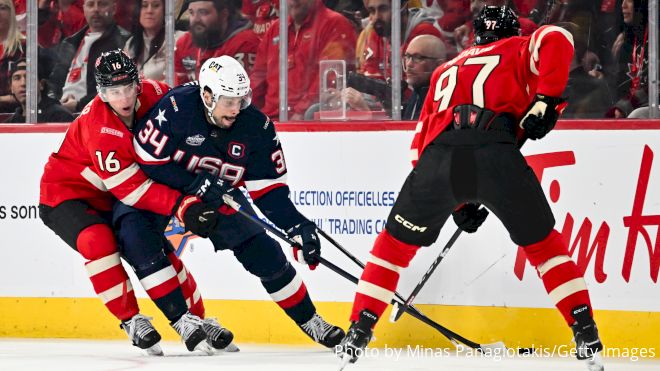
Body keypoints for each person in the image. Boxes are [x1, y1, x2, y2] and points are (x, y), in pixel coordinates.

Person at [337, 6, 604, 371]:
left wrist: (454, 202)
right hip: (495, 151)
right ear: (513, 30)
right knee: (544, 247)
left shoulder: (446, 68)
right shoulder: (517, 47)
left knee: (392, 249)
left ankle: (358, 331)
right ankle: (585, 332)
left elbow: (419, 145)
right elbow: (558, 37)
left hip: (439, 160)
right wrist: (546, 98)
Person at [129, 55, 346, 349]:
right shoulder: (177, 108)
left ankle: (310, 320)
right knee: (136, 236)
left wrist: (297, 226)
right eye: (228, 101)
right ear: (207, 96)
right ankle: (177, 320)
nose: (236, 108)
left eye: (241, 100)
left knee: (265, 253)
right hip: (161, 192)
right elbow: (147, 161)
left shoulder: (256, 127)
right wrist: (193, 184)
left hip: (215, 197)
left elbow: (268, 191)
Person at [39, 49, 226, 355]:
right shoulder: (99, 129)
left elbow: (192, 111)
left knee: (150, 246)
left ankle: (199, 320)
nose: (124, 98)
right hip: (66, 194)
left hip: (109, 192)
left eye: (128, 87)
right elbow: (134, 191)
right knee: (98, 241)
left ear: (138, 82)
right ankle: (131, 319)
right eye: (114, 91)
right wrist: (182, 204)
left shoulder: (155, 93)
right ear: (101, 92)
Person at [251, 0, 357, 119]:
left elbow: (329, 79)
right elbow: (258, 77)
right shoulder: (275, 29)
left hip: (310, 123)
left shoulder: (335, 24)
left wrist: (300, 113)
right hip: (272, 120)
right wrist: (246, 110)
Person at [49, 0, 131, 113]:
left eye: (102, 4)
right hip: (62, 112)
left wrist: (78, 105)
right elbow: (54, 83)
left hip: (92, 113)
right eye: (91, 4)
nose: (96, 9)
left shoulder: (122, 42)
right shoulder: (71, 42)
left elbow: (115, 87)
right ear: (84, 9)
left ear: (113, 9)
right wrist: (54, 105)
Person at [174, 0, 260, 85]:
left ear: (223, 14)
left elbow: (241, 94)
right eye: (191, 13)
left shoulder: (245, 42)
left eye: (203, 12)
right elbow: (179, 91)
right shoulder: (185, 43)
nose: (196, 19)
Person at [5, 56, 74, 123]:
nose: (23, 83)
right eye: (17, 78)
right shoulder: (9, 124)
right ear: (11, 88)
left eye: (29, 77)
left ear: (41, 84)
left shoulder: (60, 117)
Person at [0, 0, 24, 113]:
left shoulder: (24, 47)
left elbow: (28, 93)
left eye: (2, 7)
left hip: (14, 116)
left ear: (11, 12)